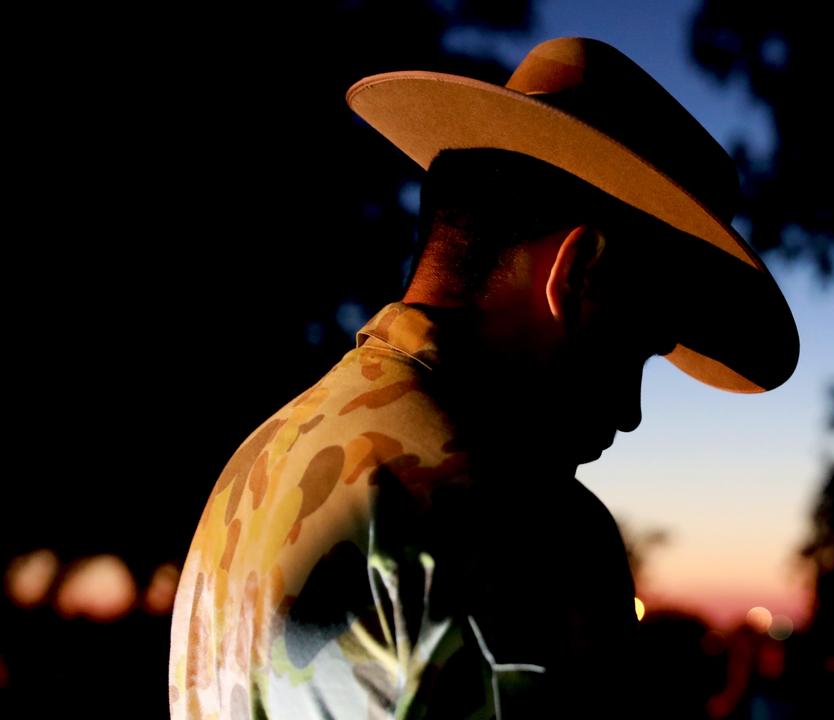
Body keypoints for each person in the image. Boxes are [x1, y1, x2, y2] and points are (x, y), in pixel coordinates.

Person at [167, 36, 799, 719]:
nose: (631, 411)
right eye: (636, 346)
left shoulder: (255, 467)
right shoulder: (520, 522)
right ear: (579, 273)